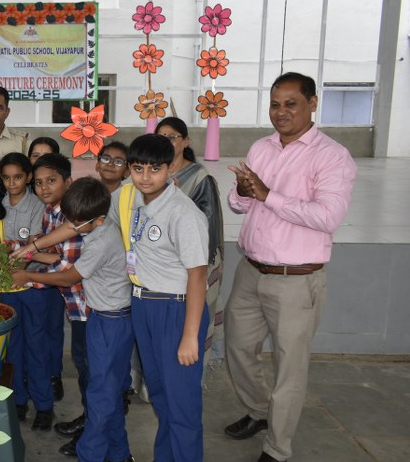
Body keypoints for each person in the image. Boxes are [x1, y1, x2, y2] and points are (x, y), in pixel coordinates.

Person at [224, 73, 357, 462]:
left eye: (291, 103)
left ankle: (278, 448)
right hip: (250, 271)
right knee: (237, 349)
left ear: (312, 103)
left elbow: (328, 216)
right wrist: (245, 194)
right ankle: (260, 412)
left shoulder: (332, 156)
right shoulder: (261, 147)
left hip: (296, 280)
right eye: (275, 104)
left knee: (290, 370)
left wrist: (268, 195)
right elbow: (240, 204)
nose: (281, 112)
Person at [12, 177, 134, 462]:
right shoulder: (93, 221)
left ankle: (89, 454)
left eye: (76, 222)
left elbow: (70, 277)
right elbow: (68, 228)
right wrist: (30, 249)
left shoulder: (101, 242)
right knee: (107, 392)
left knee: (101, 396)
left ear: (98, 220)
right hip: (99, 317)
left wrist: (28, 274)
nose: (70, 225)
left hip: (112, 322)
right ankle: (119, 455)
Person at [112, 134, 209, 462]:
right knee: (163, 398)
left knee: (182, 405)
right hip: (144, 305)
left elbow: (198, 275)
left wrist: (190, 337)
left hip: (176, 309)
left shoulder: (184, 213)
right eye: (138, 168)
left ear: (170, 169)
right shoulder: (136, 201)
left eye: (155, 169)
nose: (145, 177)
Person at [156, 117, 225, 368]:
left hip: (190, 266)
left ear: (186, 141)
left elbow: (206, 225)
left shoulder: (199, 178)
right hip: (157, 266)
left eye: (172, 136)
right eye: (161, 137)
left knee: (187, 325)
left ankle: (189, 374)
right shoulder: (150, 174)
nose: (166, 141)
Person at [27, 153, 86, 446]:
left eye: (51, 181)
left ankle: (93, 434)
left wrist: (25, 275)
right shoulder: (51, 211)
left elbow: (66, 272)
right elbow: (51, 252)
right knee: (83, 364)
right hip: (75, 306)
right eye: (38, 183)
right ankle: (90, 421)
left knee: (90, 370)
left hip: (92, 307)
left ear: (69, 181)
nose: (44, 188)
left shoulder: (73, 213)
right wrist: (19, 249)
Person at [0, 152, 47, 424]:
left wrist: (9, 249)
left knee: (36, 347)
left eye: (18, 177)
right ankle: (18, 399)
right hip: (3, 288)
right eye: (7, 178)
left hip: (31, 286)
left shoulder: (37, 205)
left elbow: (33, 246)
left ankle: (43, 404)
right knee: (11, 348)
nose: (12, 183)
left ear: (29, 177)